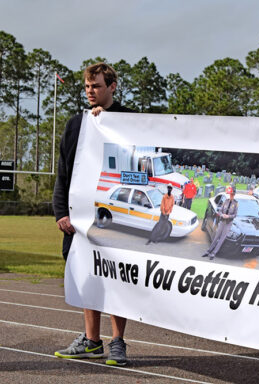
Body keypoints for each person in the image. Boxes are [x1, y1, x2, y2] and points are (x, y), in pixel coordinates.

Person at [53, 62, 134, 366]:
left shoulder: (129, 120)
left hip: (116, 217)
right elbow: (64, 171)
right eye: (87, 87)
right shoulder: (76, 124)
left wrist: (107, 123)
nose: (90, 91)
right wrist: (61, 212)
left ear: (112, 87)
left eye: (96, 86)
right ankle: (91, 341)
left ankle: (118, 342)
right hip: (80, 219)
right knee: (87, 277)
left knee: (117, 279)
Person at [202, 185, 238, 260]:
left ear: (234, 195)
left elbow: (235, 215)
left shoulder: (235, 204)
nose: (231, 196)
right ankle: (208, 251)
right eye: (230, 194)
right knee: (216, 237)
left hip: (228, 224)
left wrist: (228, 216)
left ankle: (213, 253)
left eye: (232, 194)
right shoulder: (226, 201)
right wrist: (222, 215)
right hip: (222, 222)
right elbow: (220, 210)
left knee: (221, 239)